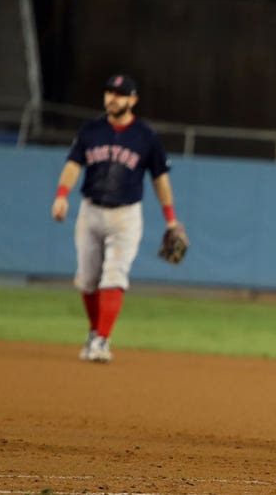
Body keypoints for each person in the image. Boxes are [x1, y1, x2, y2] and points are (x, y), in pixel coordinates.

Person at [51, 74, 184, 364]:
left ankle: (101, 339)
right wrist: (62, 195)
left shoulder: (146, 136)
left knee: (114, 274)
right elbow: (73, 164)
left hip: (126, 215)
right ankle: (95, 331)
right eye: (109, 92)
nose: (112, 98)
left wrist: (171, 219)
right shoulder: (91, 130)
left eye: (120, 94)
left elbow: (160, 179)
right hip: (91, 211)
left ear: (133, 100)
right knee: (87, 280)